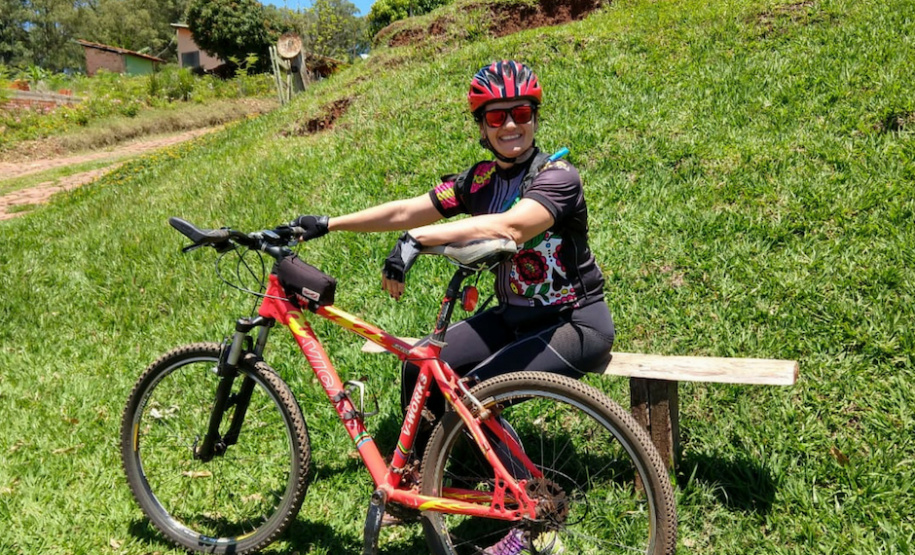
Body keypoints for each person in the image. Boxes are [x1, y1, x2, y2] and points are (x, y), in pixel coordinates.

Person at [293, 60, 613, 555]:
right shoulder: (480, 179)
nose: (510, 124)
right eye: (495, 116)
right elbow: (406, 208)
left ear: (535, 115)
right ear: (481, 125)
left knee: (473, 394)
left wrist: (417, 240)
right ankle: (430, 478)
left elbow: (512, 228)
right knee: (424, 360)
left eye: (521, 112)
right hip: (513, 318)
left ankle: (536, 518)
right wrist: (330, 223)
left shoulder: (558, 176)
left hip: (574, 321)